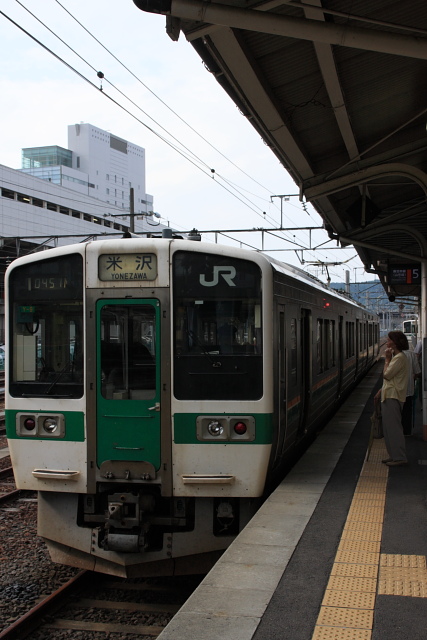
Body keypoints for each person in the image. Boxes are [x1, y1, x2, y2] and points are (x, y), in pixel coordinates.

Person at [374, 331, 409, 466]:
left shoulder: (399, 358)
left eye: (388, 340)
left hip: (393, 396)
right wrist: (381, 390)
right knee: (388, 428)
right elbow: (391, 379)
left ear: (395, 342)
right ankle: (393, 455)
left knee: (394, 428)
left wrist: (387, 360)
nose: (386, 342)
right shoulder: (397, 357)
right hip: (388, 394)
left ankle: (399, 457)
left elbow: (387, 375)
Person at [402, 347, 421, 435]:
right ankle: (406, 431)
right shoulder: (411, 354)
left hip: (394, 392)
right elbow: (417, 371)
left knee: (395, 413)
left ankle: (397, 432)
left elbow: (386, 375)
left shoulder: (392, 355)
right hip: (408, 389)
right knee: (407, 411)